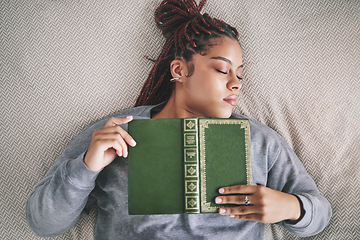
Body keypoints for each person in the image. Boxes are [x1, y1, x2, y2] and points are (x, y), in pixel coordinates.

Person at [26, 0, 332, 239]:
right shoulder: (115, 132)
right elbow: (43, 223)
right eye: (223, 70)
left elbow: (319, 215)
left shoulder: (260, 141)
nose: (236, 83)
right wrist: (86, 167)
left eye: (240, 73)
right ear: (179, 70)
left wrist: (291, 207)